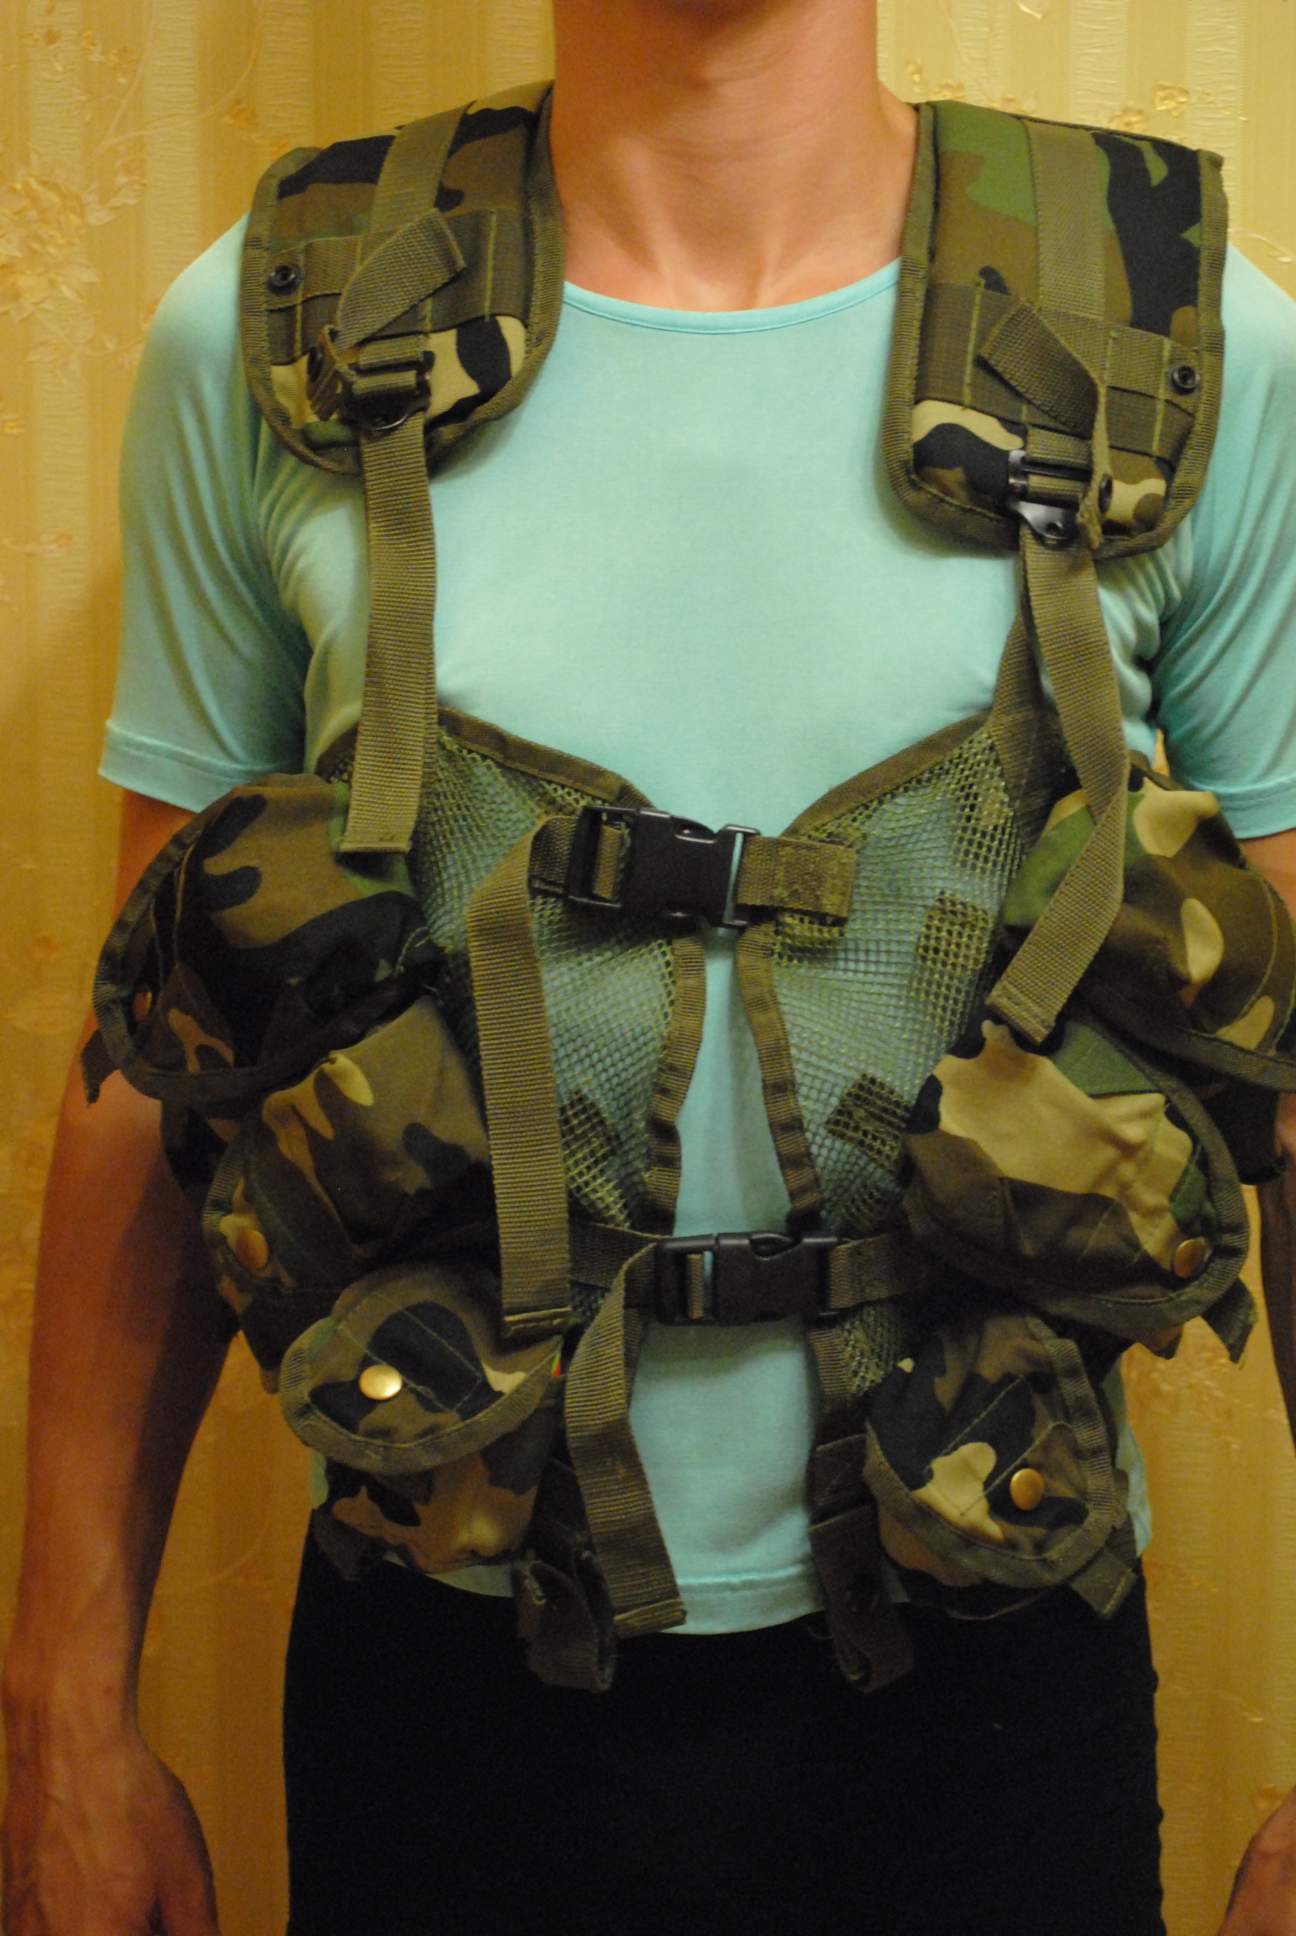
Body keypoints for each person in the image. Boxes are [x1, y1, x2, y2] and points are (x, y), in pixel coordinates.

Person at [4, 1, 1296, 1930]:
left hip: (996, 1670)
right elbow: (159, 1065)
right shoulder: (284, 331)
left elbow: (1290, 1073)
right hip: (441, 1676)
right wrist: (60, 1720)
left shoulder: (1175, 338)